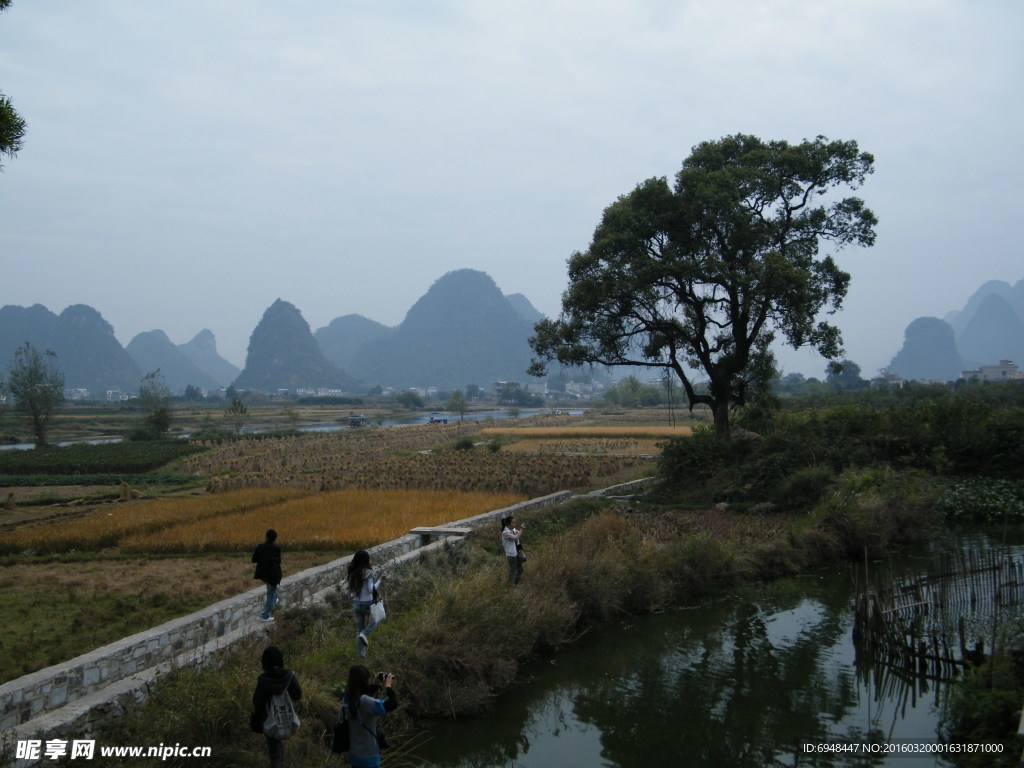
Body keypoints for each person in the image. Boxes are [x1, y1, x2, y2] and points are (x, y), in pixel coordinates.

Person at [251, 645, 302, 768]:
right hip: (287, 716)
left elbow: (257, 702)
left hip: (270, 720)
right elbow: (297, 695)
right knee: (280, 750)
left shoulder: (263, 680)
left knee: (274, 753)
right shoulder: (289, 675)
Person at [339, 665, 397, 768]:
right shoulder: (365, 702)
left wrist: (375, 684)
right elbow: (392, 704)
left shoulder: (346, 698)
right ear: (364, 681)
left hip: (354, 755)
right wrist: (388, 686)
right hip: (369, 756)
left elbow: (361, 698)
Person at [346, 550, 388, 658]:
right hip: (368, 603)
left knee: (359, 630)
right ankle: (365, 634)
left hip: (357, 604)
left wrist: (352, 597)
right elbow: (371, 590)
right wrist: (381, 580)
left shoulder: (352, 573)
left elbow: (349, 592)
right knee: (376, 620)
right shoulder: (369, 573)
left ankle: (361, 656)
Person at [253, 529, 283, 622]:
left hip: (263, 574)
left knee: (271, 592)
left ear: (266, 537)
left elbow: (254, 559)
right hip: (273, 574)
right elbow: (278, 561)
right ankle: (265, 615)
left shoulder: (260, 547)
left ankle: (274, 601)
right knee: (271, 594)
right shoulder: (276, 548)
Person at [501, 514, 526, 585]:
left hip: (517, 553)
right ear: (508, 524)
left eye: (515, 523)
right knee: (513, 570)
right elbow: (515, 538)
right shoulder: (505, 533)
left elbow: (518, 534)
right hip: (511, 555)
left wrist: (521, 530)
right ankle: (510, 585)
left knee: (520, 570)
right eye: (513, 523)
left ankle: (515, 583)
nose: (514, 524)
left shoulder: (513, 530)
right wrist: (521, 530)